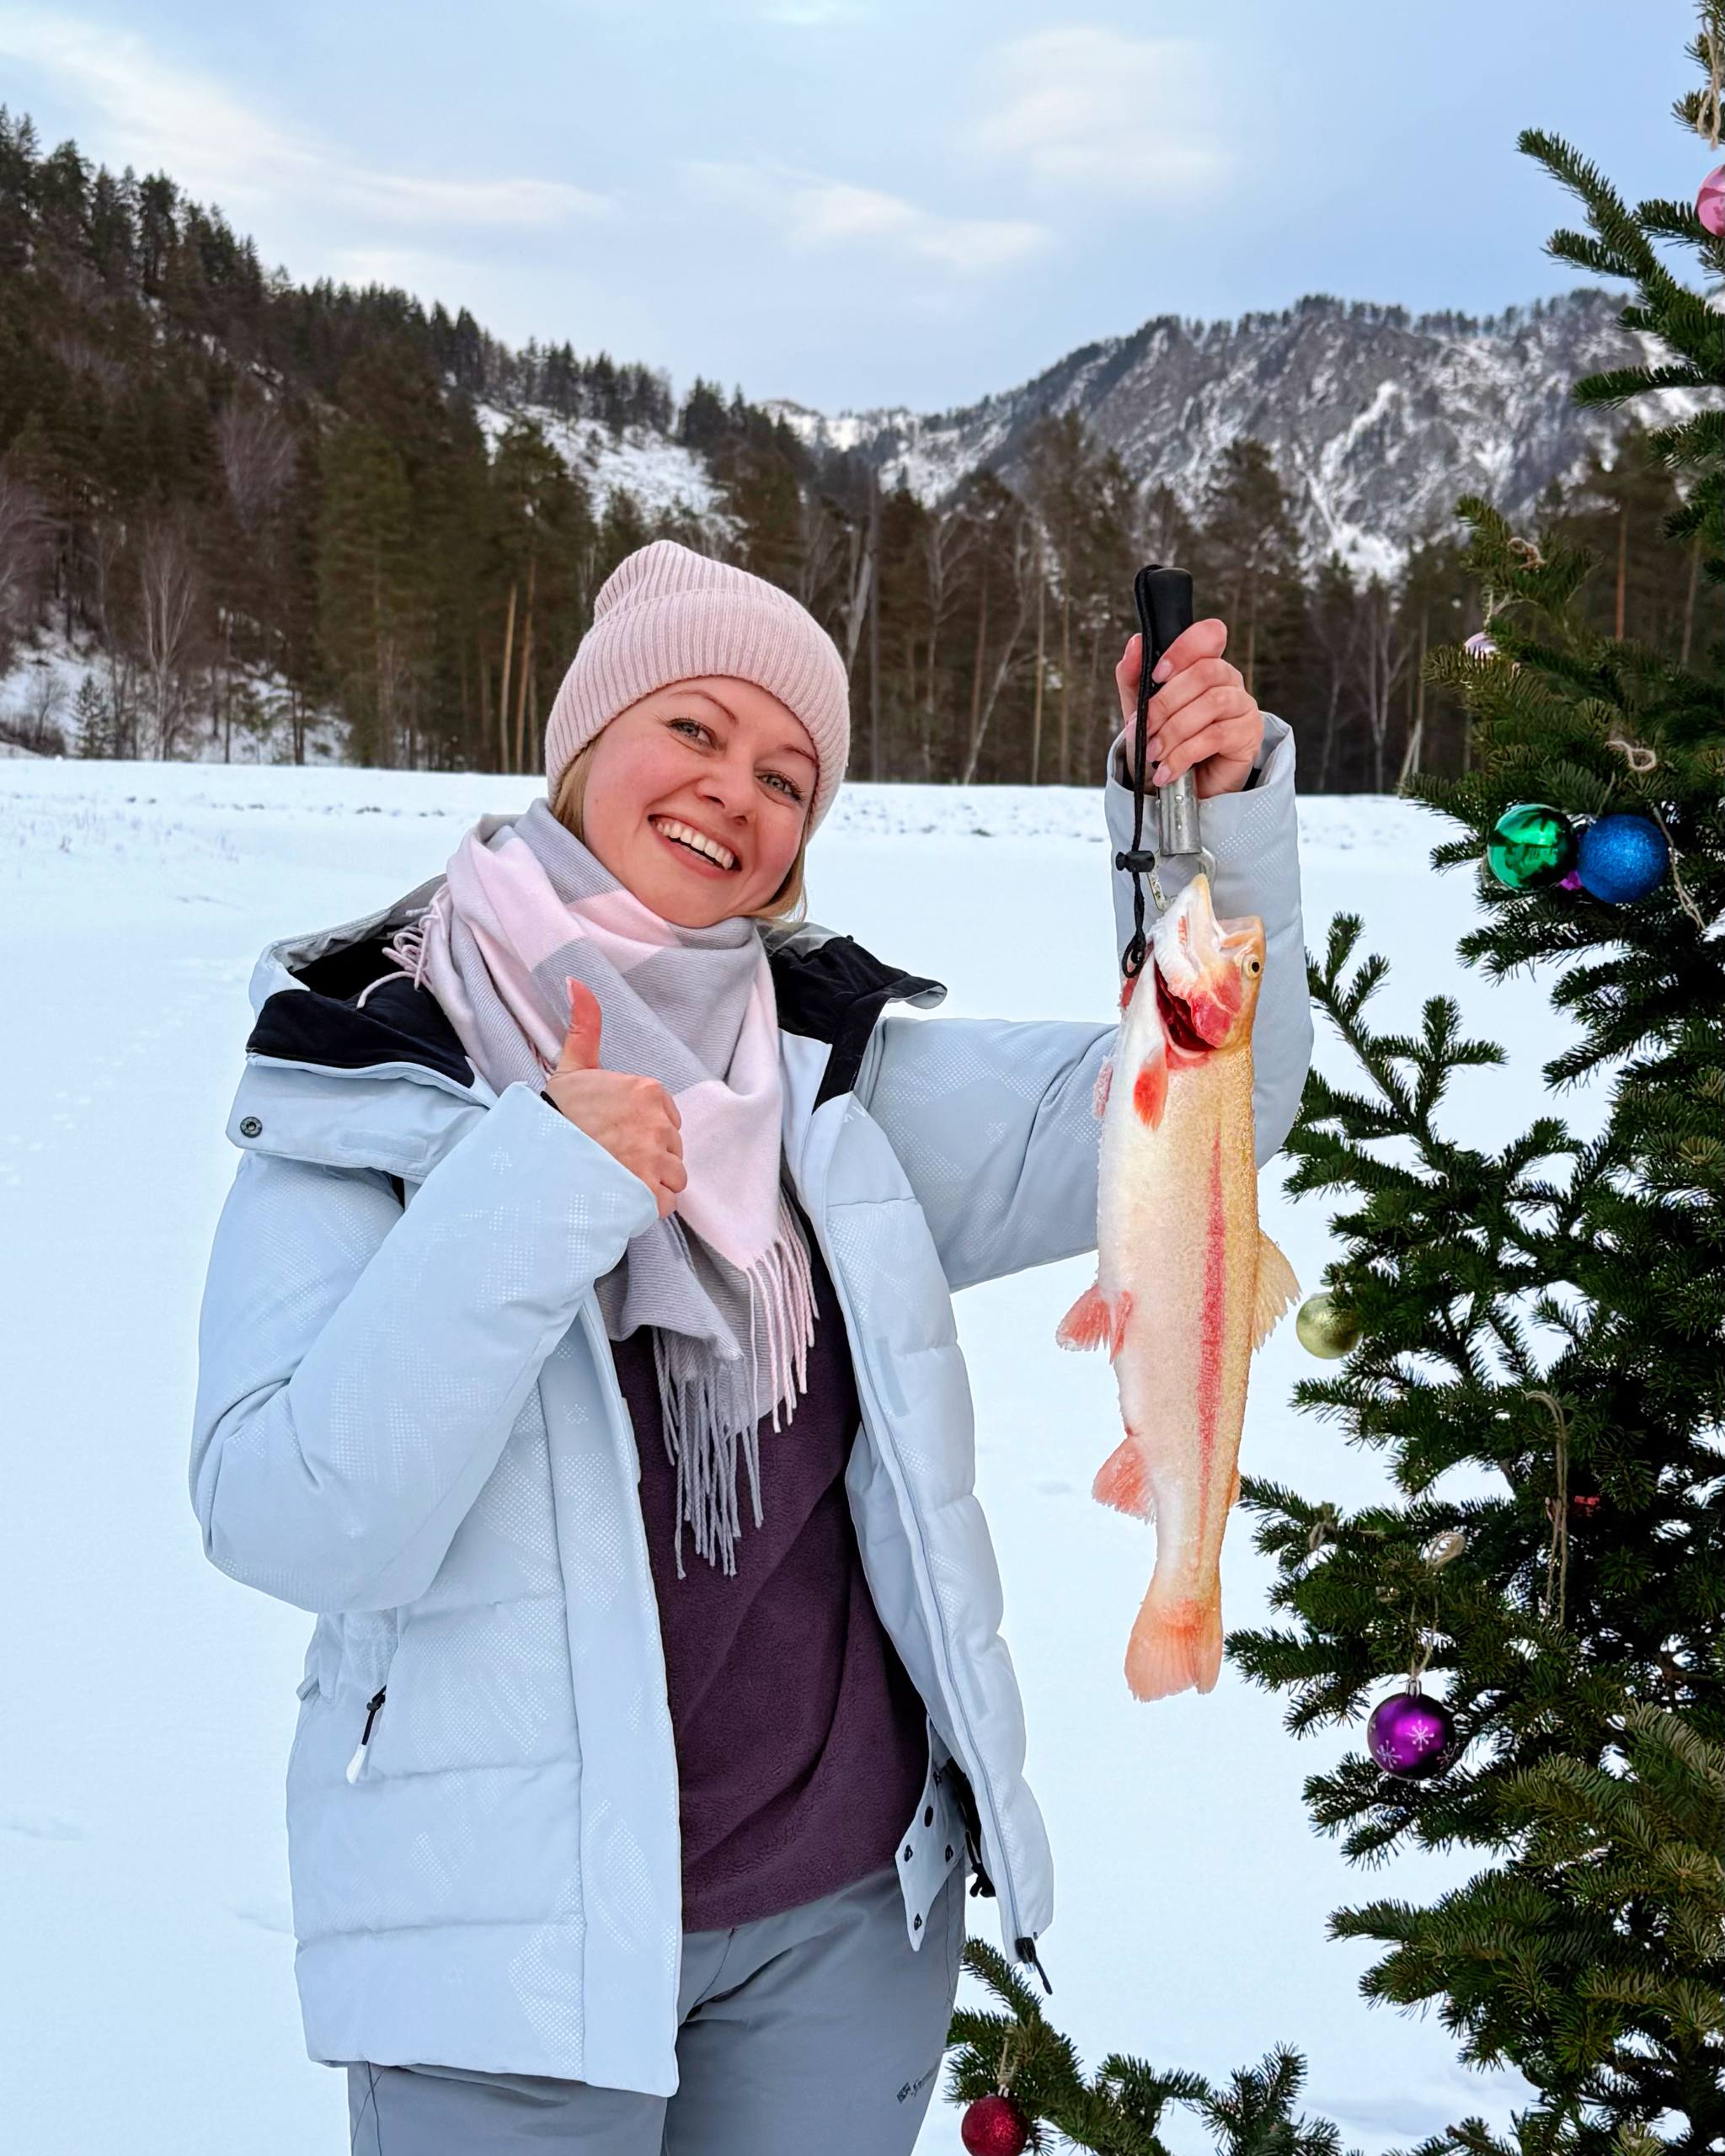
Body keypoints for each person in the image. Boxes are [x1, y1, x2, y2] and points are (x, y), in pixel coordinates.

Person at [188, 538, 1312, 2154]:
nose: (739, 792)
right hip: (511, 1955)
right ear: (588, 739)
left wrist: (1205, 820)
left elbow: (1212, 1110)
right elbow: (297, 1520)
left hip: (845, 1923)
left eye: (792, 775)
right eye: (695, 729)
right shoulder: (372, 1072)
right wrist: (540, 1186)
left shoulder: (834, 1080)